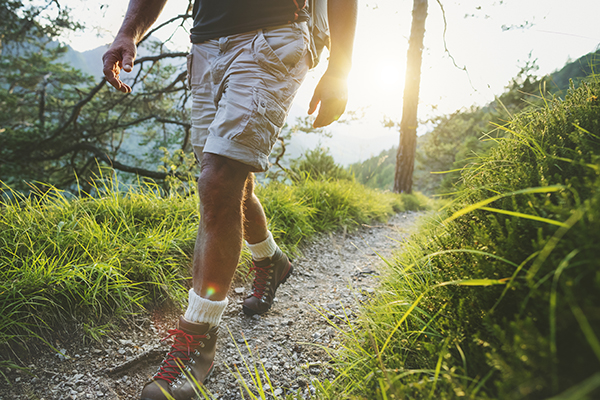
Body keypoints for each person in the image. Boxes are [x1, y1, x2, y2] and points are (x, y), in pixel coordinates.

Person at [102, 0, 356, 398]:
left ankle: (197, 341)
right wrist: (127, 32)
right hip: (205, 46)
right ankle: (271, 259)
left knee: (218, 181)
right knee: (228, 181)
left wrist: (340, 67)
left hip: (273, 36)